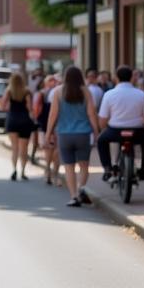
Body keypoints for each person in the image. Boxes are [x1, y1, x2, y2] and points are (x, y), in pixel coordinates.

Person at [46, 66, 100, 207]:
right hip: (83, 134)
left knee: (69, 167)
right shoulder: (86, 91)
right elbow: (91, 114)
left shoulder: (58, 92)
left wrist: (48, 133)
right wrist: (96, 131)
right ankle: (81, 187)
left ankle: (74, 196)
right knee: (84, 166)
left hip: (64, 134)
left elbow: (53, 115)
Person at [96, 64, 144, 184]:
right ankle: (143, 170)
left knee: (101, 141)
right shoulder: (141, 94)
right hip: (137, 131)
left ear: (116, 78)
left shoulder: (109, 94)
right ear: (132, 78)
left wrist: (104, 129)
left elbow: (102, 120)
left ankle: (107, 168)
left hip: (115, 130)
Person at [0, 72, 35, 181]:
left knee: (14, 148)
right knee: (24, 149)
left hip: (13, 119)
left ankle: (14, 170)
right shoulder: (27, 91)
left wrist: (10, 109)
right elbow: (30, 107)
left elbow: (2, 106)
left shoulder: (9, 91)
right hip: (25, 120)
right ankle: (23, 171)